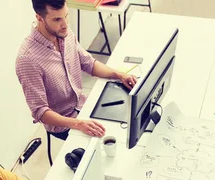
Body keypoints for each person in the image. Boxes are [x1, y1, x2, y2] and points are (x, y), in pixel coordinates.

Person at [16, 0, 138, 140]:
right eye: (57, 19)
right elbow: (40, 111)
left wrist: (119, 75)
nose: (65, 24)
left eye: (66, 16)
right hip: (64, 125)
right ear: (39, 18)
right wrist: (78, 124)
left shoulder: (64, 33)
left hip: (83, 105)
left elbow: (88, 63)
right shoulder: (27, 59)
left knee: (126, 120)